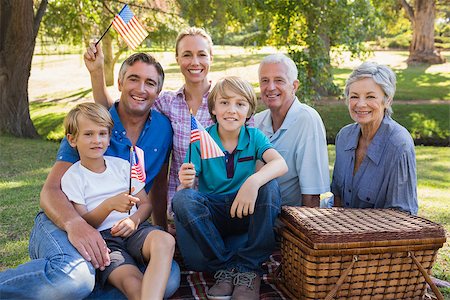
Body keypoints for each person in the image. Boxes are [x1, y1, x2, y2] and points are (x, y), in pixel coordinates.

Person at [0, 53, 180, 299]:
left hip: (127, 231)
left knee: (167, 281)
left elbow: (156, 187)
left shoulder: (162, 128)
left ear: (158, 90)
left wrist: (152, 225)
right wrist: (76, 225)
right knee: (75, 280)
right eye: (133, 79)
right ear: (119, 83)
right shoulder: (91, 124)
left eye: (149, 82)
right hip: (67, 218)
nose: (140, 88)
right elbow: (51, 191)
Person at [85, 27, 216, 230]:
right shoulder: (167, 102)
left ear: (211, 57)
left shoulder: (225, 101)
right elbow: (117, 111)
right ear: (178, 58)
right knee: (194, 259)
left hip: (219, 199)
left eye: (201, 54)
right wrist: (97, 73)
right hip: (184, 207)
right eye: (187, 55)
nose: (195, 62)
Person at [172, 76, 288, 300]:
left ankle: (249, 268)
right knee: (183, 198)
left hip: (245, 209)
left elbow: (280, 164)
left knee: (270, 185)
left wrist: (253, 182)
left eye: (240, 104)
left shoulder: (254, 137)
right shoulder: (201, 139)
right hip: (213, 213)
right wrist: (185, 183)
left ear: (249, 111)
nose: (231, 110)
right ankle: (224, 267)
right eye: (224, 102)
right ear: (213, 108)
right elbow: (185, 189)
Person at [61, 102, 175, 299]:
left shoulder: (123, 166)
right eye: (88, 134)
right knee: (133, 284)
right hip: (104, 242)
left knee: (165, 240)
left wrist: (134, 219)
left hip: (135, 231)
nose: (97, 140)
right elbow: (85, 224)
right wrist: (108, 206)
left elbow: (145, 204)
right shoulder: (73, 176)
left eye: (102, 134)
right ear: (72, 139)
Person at [331, 62, 418, 214]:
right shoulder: (344, 137)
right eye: (354, 96)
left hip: (382, 235)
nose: (361, 104)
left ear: (387, 100)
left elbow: (403, 215)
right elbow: (337, 197)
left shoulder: (399, 144)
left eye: (370, 96)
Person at [254, 53, 330, 207]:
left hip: (293, 221)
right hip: (260, 214)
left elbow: (312, 195)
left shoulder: (307, 119)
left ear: (294, 86)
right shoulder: (256, 122)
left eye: (279, 80)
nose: (270, 87)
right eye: (264, 81)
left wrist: (301, 230)